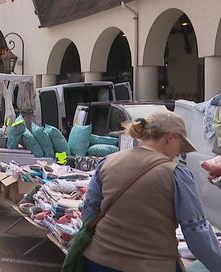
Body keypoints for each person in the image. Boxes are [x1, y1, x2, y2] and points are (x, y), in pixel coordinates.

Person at [80, 111, 221, 272]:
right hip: (152, 265)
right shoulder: (176, 173)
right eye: (180, 146)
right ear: (170, 137)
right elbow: (196, 233)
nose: (178, 153)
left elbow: (89, 211)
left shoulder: (108, 162)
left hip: (98, 262)